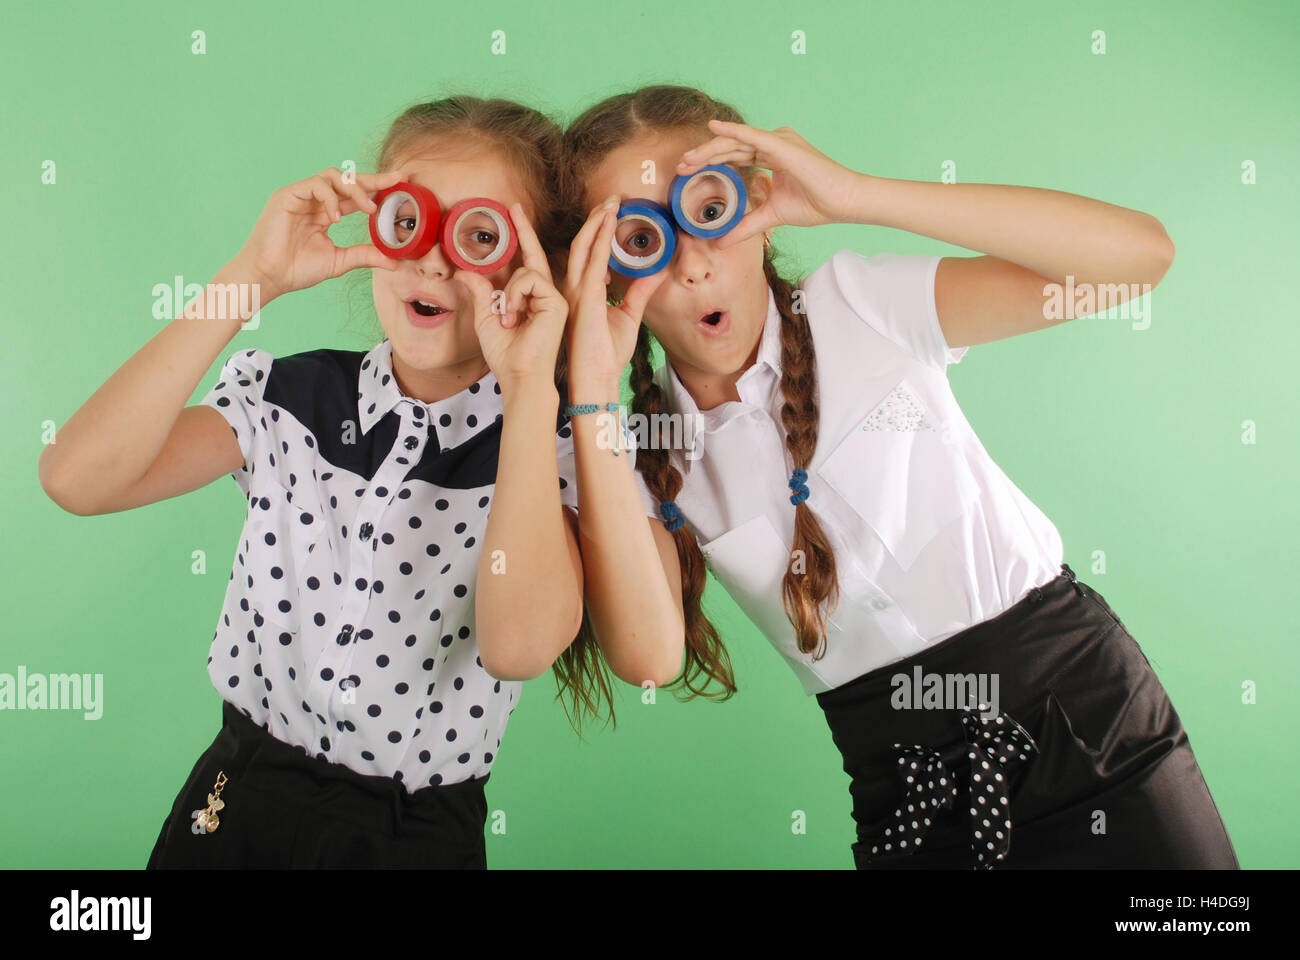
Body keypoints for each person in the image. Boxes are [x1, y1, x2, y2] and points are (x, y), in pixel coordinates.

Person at [556, 84, 1240, 868]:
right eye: (642, 238)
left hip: (1084, 717)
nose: (695, 263)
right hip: (905, 783)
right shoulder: (631, 450)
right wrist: (591, 390)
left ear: (758, 206)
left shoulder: (857, 303)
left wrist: (856, 194)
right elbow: (649, 656)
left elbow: (1135, 261)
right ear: (601, 271)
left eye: (709, 209)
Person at [37, 95, 682, 869]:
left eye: (479, 236)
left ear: (532, 265)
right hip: (235, 804)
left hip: (414, 838)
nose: (435, 260)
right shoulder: (292, 402)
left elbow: (520, 647)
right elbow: (78, 478)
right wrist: (253, 278)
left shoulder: (561, 452)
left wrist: (531, 382)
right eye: (410, 222)